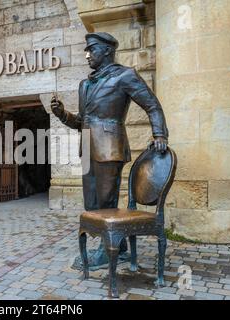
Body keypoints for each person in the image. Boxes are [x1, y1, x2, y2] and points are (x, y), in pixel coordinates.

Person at [51, 32, 169, 270]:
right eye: (86, 50)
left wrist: (159, 134)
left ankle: (106, 250)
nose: (87, 55)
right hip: (87, 148)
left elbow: (152, 105)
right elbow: (82, 121)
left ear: (106, 50)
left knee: (106, 201)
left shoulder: (125, 76)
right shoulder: (85, 84)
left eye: (91, 49)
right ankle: (119, 245)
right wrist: (62, 114)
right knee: (91, 202)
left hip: (110, 147)